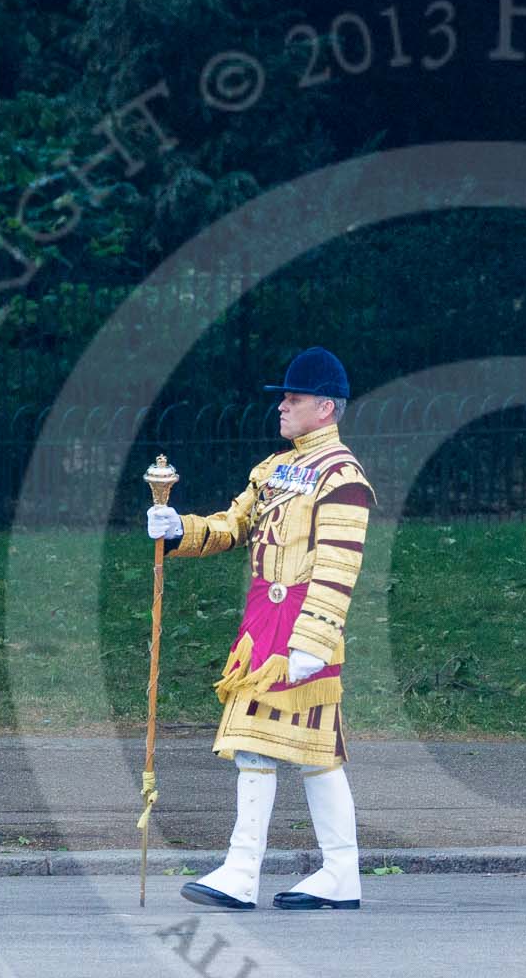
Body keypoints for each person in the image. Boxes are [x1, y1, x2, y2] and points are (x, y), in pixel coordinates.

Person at [146, 346, 375, 911]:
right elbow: (233, 525)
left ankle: (245, 870)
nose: (282, 407)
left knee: (266, 746)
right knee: (315, 754)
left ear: (325, 407)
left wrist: (313, 642)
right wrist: (179, 528)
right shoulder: (273, 470)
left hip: (298, 635)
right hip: (262, 630)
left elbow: (337, 566)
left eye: (292, 399)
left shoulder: (343, 476)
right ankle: (336, 873)